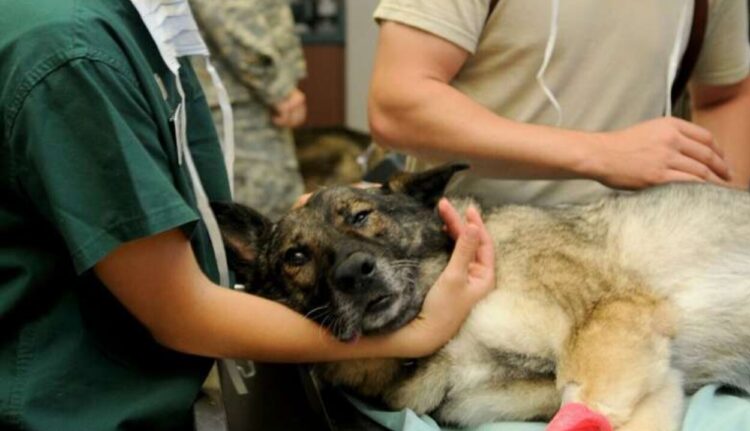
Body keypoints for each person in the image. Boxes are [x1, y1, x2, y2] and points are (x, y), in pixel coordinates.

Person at [0, 1, 495, 430]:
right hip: (75, 407)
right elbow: (180, 312)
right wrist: (422, 331)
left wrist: (327, 223)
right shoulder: (73, 54)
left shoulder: (134, 23)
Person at [369, 0, 750, 207]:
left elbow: (727, 95)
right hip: (474, 257)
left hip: (637, 258)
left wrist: (717, 216)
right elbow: (398, 104)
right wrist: (603, 153)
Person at [190, 0, 308, 220]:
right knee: (261, 220)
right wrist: (279, 88)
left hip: (237, 98)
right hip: (238, 103)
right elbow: (230, 16)